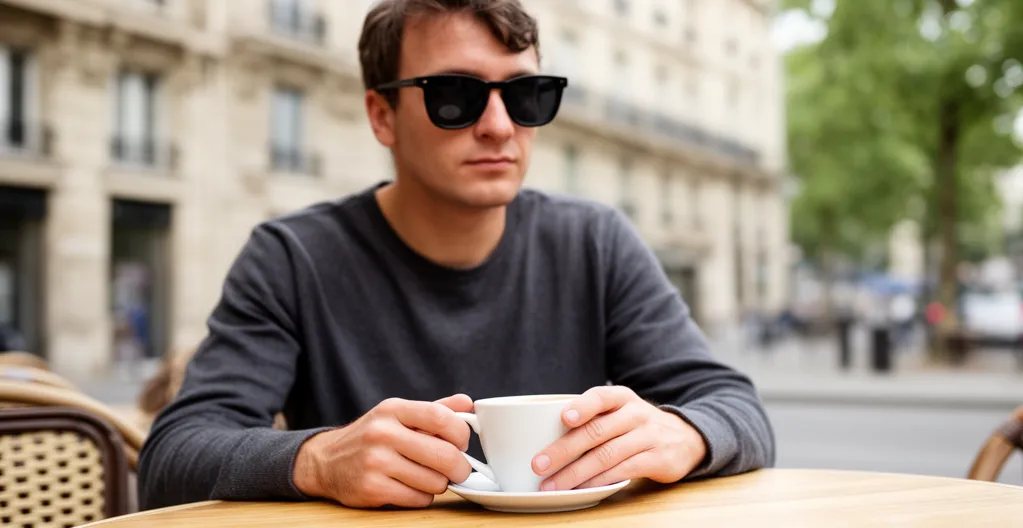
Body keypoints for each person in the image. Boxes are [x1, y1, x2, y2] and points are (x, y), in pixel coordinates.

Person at [138, 0, 775, 510]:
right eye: (455, 96)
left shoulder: (595, 241)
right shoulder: (293, 256)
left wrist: (683, 435)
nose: (499, 125)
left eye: (526, 96)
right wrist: (319, 460)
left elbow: (735, 408)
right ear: (381, 116)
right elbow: (173, 457)